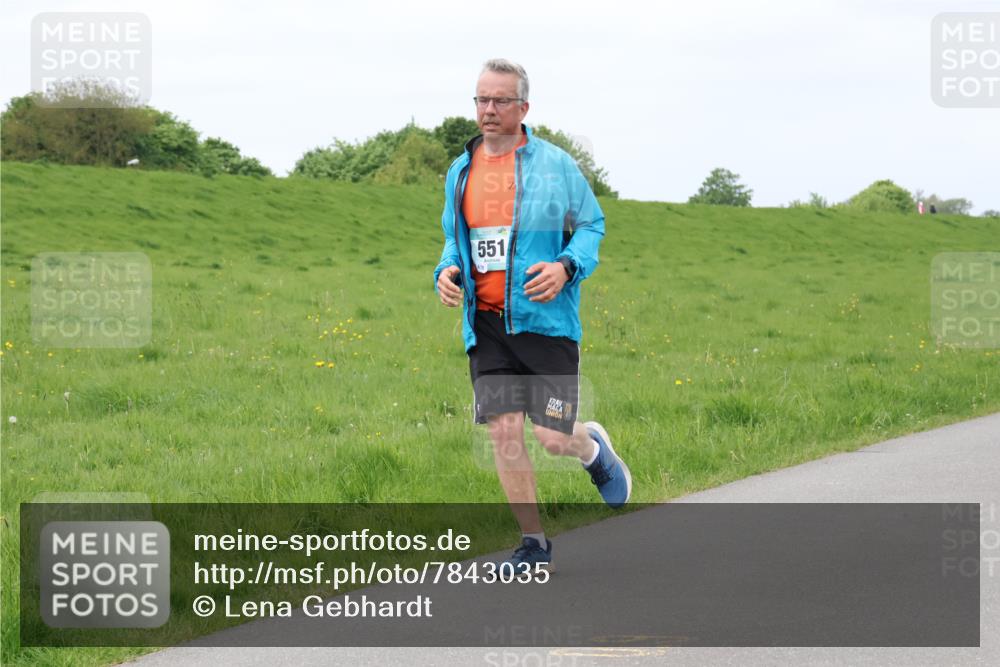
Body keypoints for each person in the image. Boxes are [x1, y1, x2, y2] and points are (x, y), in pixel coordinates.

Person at [433, 59, 631, 570]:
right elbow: (456, 240)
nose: (489, 110)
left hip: (545, 324)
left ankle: (592, 449)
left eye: (500, 100)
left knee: (552, 436)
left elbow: (591, 225)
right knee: (504, 431)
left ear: (524, 107)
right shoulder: (461, 169)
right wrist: (447, 271)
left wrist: (567, 267)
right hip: (489, 325)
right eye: (481, 99)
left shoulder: (555, 166)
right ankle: (533, 544)